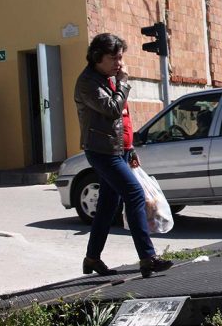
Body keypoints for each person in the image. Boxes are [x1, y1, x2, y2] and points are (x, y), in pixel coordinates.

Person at [74, 33, 173, 278]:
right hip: (101, 151)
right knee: (134, 193)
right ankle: (148, 258)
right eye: (114, 58)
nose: (119, 63)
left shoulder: (108, 79)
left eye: (120, 58)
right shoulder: (88, 82)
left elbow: (123, 119)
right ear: (98, 57)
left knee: (108, 205)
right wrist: (124, 83)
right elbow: (112, 109)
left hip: (117, 150)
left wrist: (130, 149)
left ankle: (92, 258)